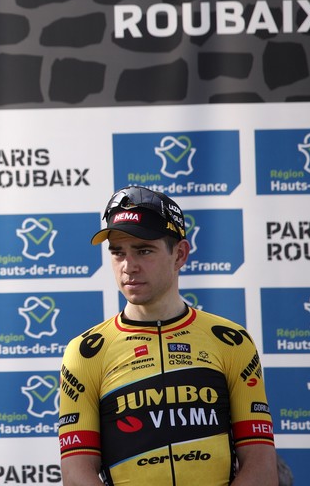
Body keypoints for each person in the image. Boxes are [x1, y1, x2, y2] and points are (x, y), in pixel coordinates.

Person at [57, 185, 278, 485]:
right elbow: (75, 472)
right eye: (118, 252)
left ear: (180, 255)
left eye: (143, 250)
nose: (128, 266)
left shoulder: (231, 341)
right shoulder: (85, 352)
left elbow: (261, 464)